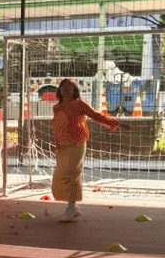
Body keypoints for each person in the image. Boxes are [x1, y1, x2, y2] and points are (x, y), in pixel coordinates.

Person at [46, 78, 120, 222]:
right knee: (59, 177)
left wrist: (110, 122)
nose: (66, 89)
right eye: (64, 87)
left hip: (77, 144)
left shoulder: (79, 104)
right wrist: (57, 144)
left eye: (70, 87)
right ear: (60, 90)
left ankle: (71, 208)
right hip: (63, 146)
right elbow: (57, 128)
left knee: (71, 174)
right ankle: (72, 207)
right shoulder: (57, 108)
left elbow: (96, 115)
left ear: (74, 90)